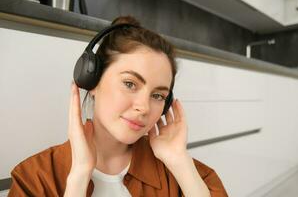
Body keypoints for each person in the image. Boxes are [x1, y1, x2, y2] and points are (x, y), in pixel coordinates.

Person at [8, 16, 228, 197]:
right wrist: (79, 176)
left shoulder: (187, 174)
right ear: (92, 81)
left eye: (158, 95)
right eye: (130, 84)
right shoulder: (33, 178)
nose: (144, 107)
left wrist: (179, 161)